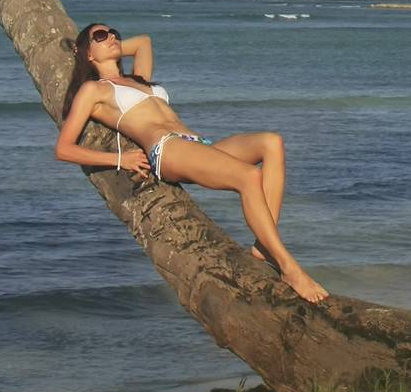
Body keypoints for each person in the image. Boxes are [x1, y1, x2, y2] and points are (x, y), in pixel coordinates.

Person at [54, 22, 329, 304]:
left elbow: (145, 41)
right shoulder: (95, 90)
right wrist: (121, 159)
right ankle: (289, 268)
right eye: (101, 36)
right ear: (88, 53)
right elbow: (64, 149)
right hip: (167, 149)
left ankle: (263, 247)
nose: (112, 37)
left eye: (115, 34)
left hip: (197, 145)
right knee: (248, 176)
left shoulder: (139, 79)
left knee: (272, 143)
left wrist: (107, 47)